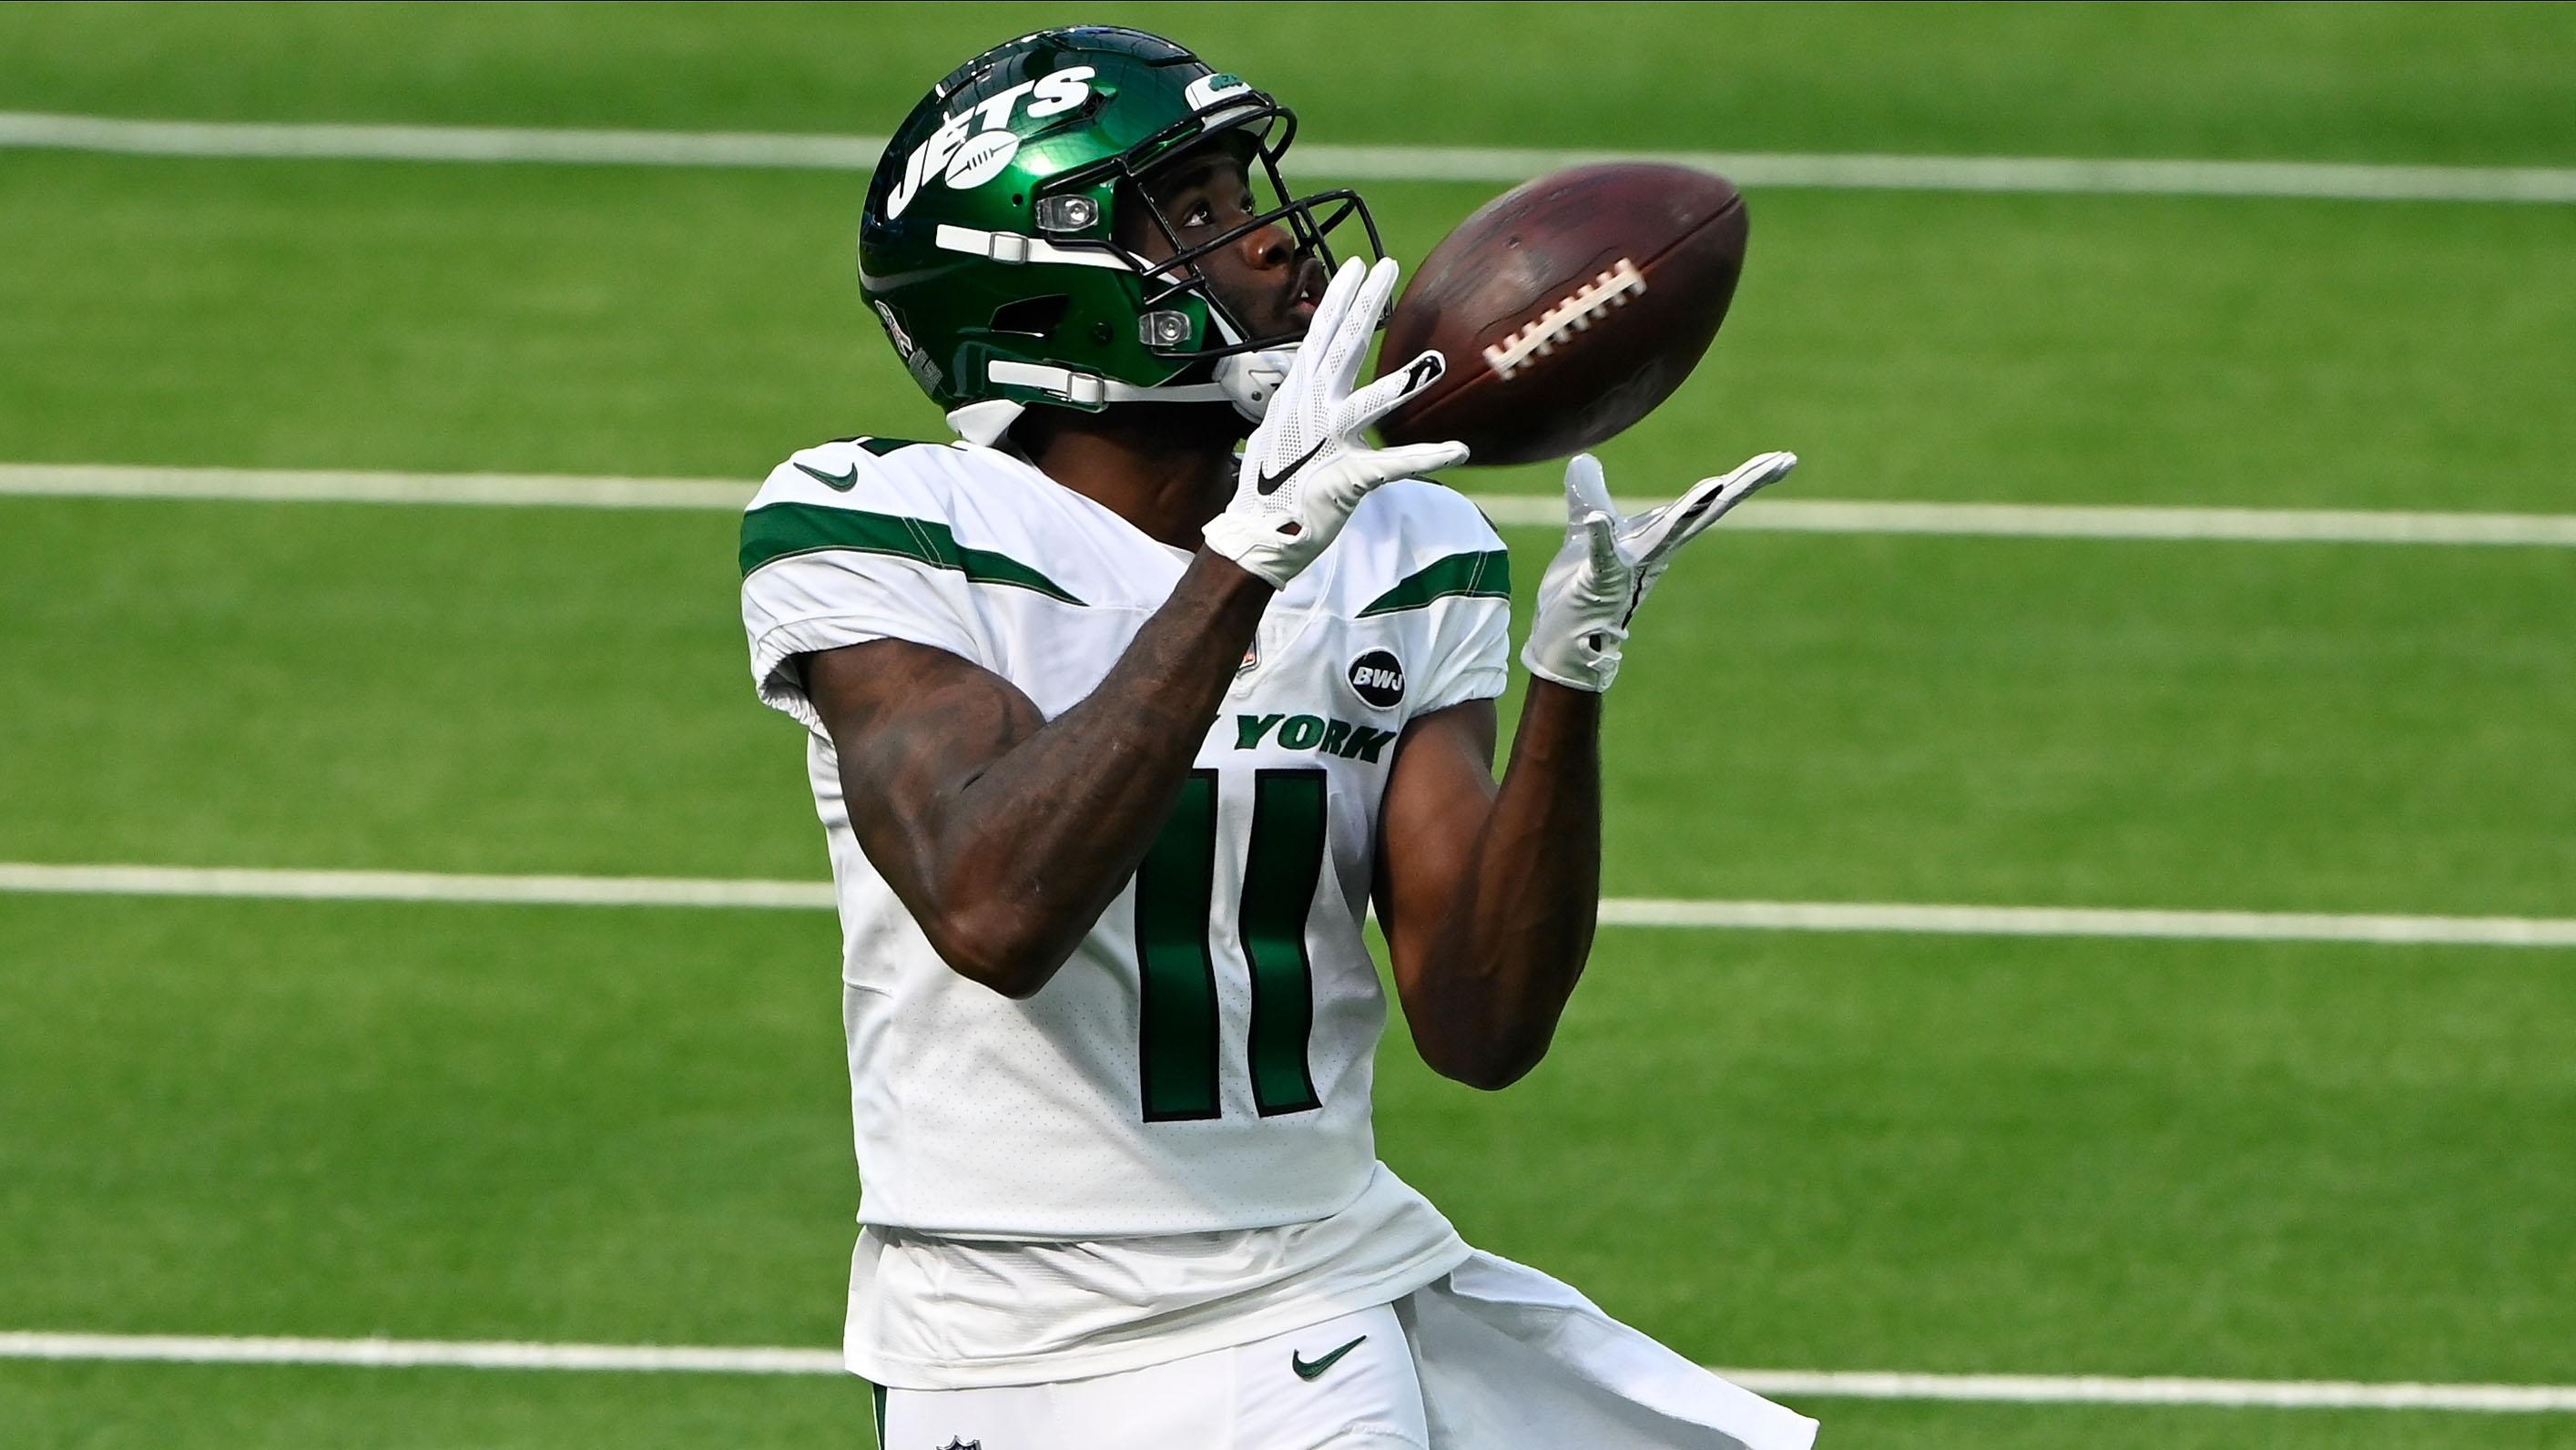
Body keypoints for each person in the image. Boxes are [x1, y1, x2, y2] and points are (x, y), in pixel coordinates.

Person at [739, 25, 1815, 1450]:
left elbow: (1483, 1025)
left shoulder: (1404, 541)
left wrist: (1571, 676)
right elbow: (993, 904)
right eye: (1194, 211)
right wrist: (1247, 561)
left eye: (1244, 191)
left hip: (1297, 1303)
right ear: (1044, 285)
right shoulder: (888, 522)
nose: (1267, 242)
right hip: (974, 1331)